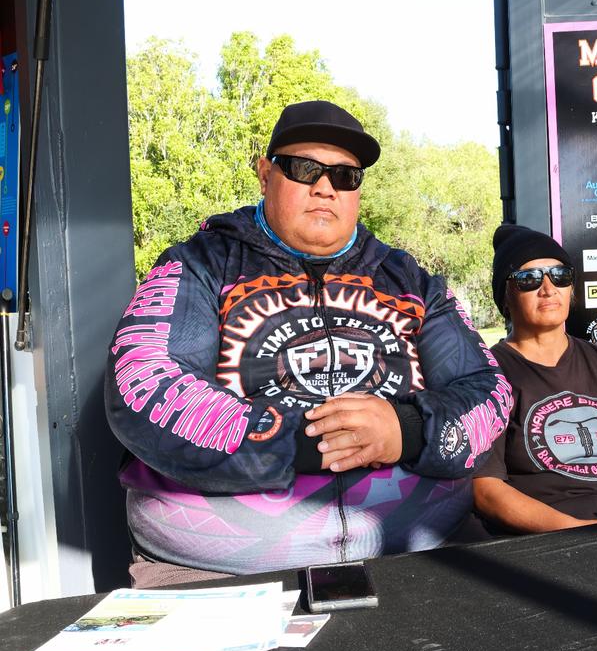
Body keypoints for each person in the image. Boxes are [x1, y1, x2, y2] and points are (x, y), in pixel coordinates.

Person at [106, 100, 511, 585]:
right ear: (265, 174)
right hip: (216, 569)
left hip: (424, 550)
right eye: (304, 168)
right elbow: (143, 381)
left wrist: (407, 429)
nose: (325, 187)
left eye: (345, 176)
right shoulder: (199, 264)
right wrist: (300, 439)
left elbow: (488, 388)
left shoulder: (411, 280)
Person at [472, 225, 597, 534]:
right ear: (506, 296)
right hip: (552, 539)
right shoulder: (488, 374)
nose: (548, 288)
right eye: (529, 279)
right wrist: (578, 529)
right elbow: (485, 489)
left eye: (560, 276)